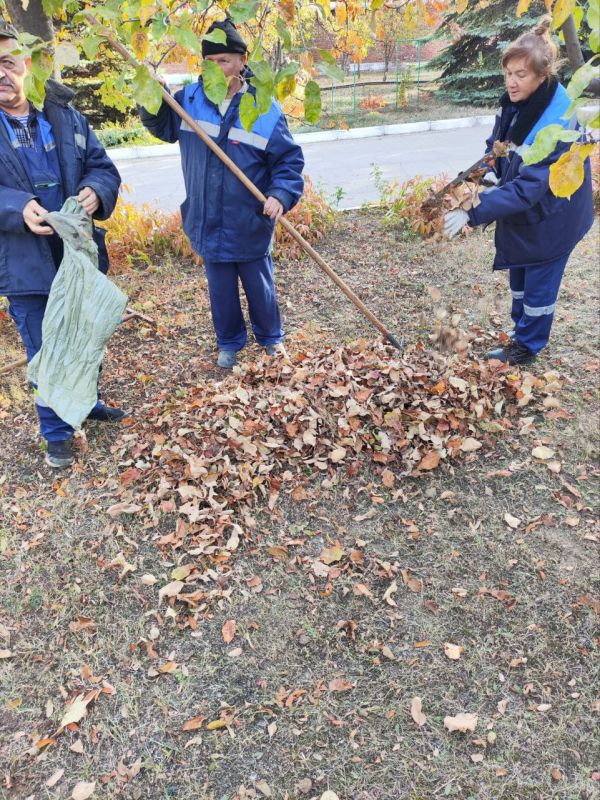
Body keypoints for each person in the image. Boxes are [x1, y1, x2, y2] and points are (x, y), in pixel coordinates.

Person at [139, 18, 304, 370]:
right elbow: (162, 126)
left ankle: (271, 338)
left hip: (250, 219)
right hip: (207, 217)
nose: (218, 68)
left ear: (243, 60)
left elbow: (288, 161)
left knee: (260, 287)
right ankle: (229, 342)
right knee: (221, 292)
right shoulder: (190, 100)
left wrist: (280, 194)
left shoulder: (263, 108)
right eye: (210, 62)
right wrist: (151, 95)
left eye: (225, 60)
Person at [0, 21, 124, 468]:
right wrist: (18, 208)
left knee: (86, 330)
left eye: (7, 62)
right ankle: (57, 436)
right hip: (24, 262)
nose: (1, 74)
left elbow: (103, 167)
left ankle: (87, 403)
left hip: (77, 255)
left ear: (26, 65)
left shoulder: (65, 117)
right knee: (46, 345)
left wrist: (96, 189)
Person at [444, 17, 594, 366]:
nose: (511, 82)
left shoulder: (558, 122)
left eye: (520, 75)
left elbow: (529, 188)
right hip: (527, 215)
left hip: (554, 217)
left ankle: (527, 346)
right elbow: (498, 144)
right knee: (520, 275)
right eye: (508, 73)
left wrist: (472, 211)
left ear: (543, 76)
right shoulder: (517, 101)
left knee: (539, 283)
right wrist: (489, 173)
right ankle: (520, 330)